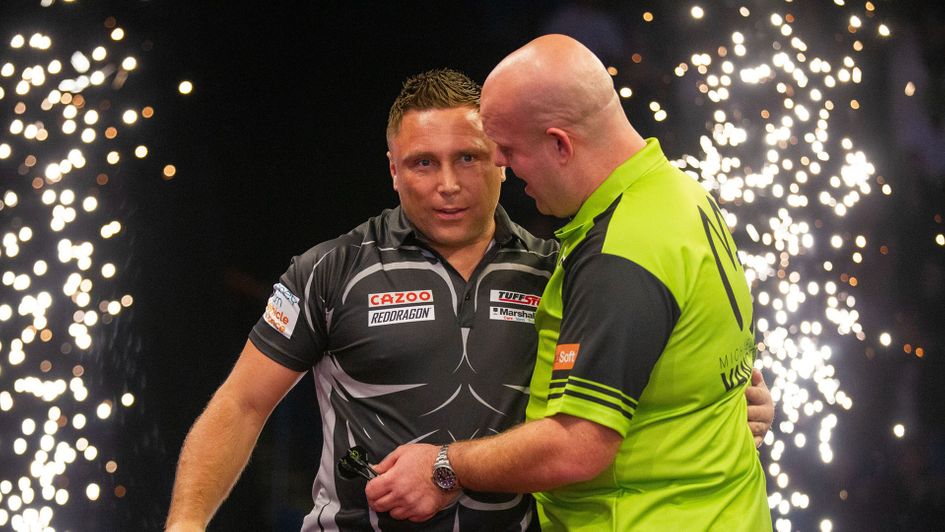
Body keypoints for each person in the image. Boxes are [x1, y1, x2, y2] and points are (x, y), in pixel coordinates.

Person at [166, 68, 772, 531]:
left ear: (503, 160)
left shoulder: (560, 269)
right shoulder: (329, 270)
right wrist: (185, 524)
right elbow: (242, 403)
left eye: (470, 158)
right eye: (423, 163)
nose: (449, 184)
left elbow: (654, 374)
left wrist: (731, 397)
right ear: (393, 169)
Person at [365, 35, 773, 531]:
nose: (501, 165)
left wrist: (444, 466)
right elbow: (703, 362)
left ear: (560, 143)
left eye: (509, 149)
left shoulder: (622, 251)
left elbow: (578, 447)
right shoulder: (680, 194)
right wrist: (730, 408)